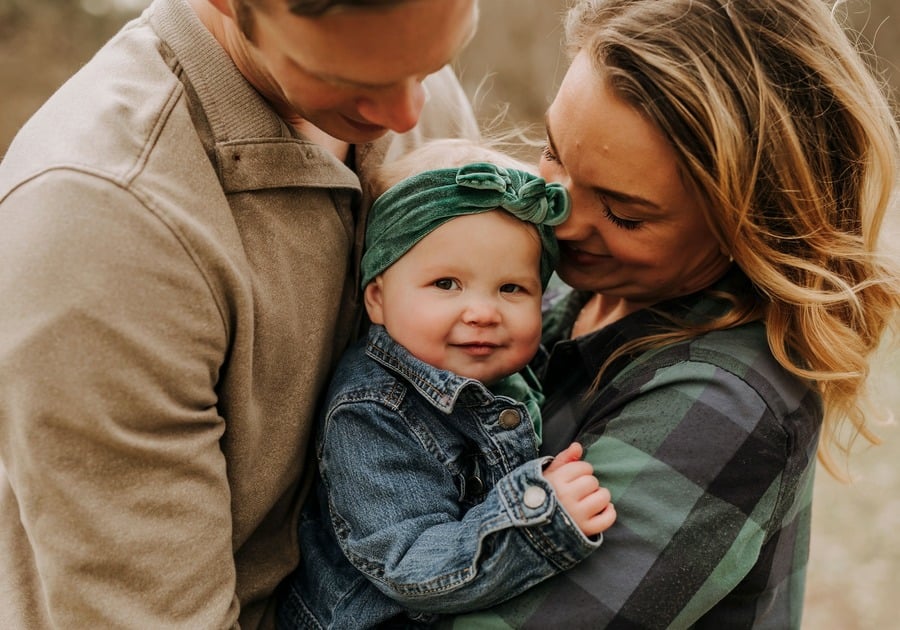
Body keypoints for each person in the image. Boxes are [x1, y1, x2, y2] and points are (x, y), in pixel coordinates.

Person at [0, 0, 482, 627]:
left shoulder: (395, 53)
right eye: (352, 81)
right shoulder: (98, 224)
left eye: (435, 62)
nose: (407, 115)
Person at [440, 0, 900, 627]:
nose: (561, 217)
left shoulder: (724, 404)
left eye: (625, 213)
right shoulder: (560, 279)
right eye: (553, 153)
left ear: (750, 223)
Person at [277, 139, 616, 628]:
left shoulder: (508, 370)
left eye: (511, 288)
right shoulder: (373, 410)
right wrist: (542, 514)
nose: (481, 312)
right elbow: (410, 565)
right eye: (445, 284)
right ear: (377, 297)